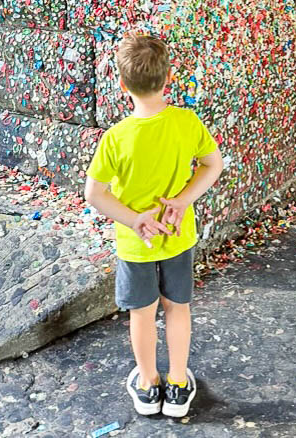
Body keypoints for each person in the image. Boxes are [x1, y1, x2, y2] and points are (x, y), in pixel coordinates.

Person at [84, 34, 224, 418]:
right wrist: (181, 200)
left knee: (142, 313)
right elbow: (214, 165)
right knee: (178, 308)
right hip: (178, 237)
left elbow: (95, 194)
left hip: (135, 244)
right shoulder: (186, 122)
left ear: (122, 85)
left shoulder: (116, 138)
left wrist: (134, 220)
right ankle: (178, 384)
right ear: (168, 77)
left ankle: (148, 385)